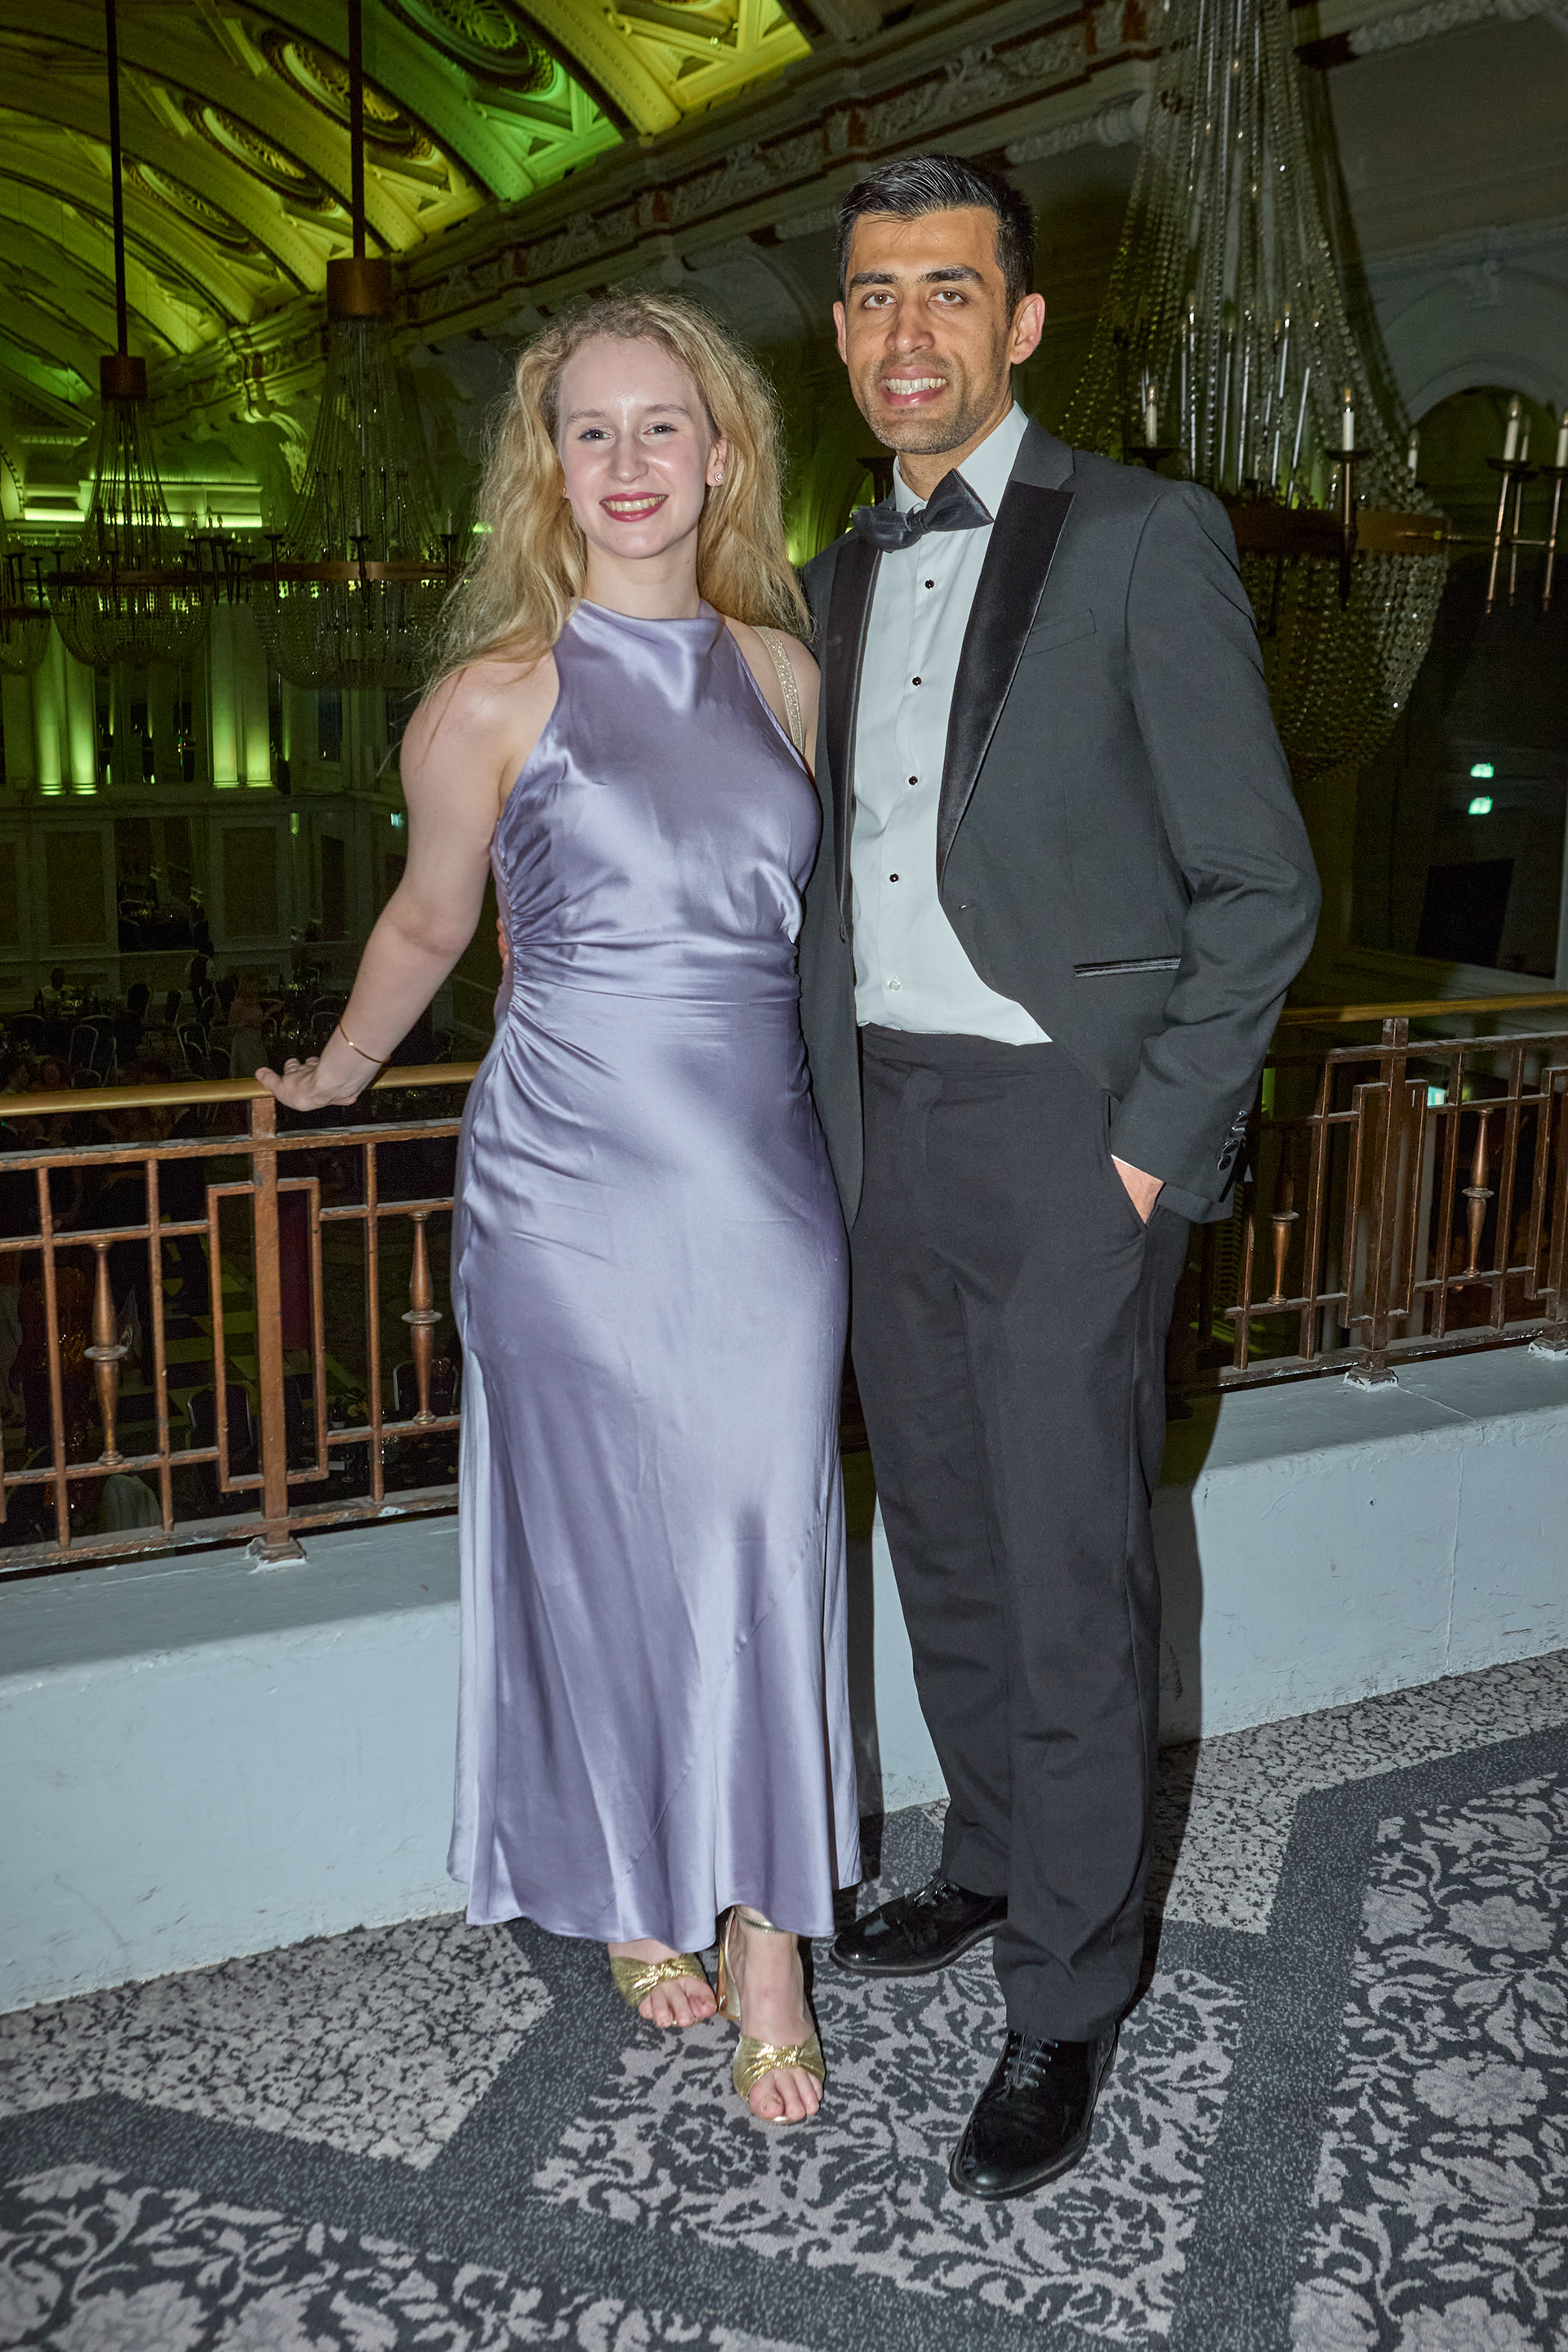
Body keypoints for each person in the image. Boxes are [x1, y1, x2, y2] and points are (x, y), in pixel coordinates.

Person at [258, 291, 858, 2126]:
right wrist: (343, 1070)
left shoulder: (783, 672)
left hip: (760, 1183)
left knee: (766, 1539)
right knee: (598, 1552)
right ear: (548, 468)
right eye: (588, 429)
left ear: (724, 454)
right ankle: (631, 1889)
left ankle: (771, 1936)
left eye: (661, 423)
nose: (627, 460)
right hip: (564, 1187)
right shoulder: (490, 698)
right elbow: (430, 921)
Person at [797, 154, 1320, 2197]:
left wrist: (1144, 1154)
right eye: (871, 294)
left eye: (947, 289)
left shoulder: (1143, 537)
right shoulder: (830, 576)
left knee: (1071, 1570)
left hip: (1061, 1134)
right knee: (940, 1530)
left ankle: (1071, 1992)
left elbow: (1260, 885)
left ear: (1019, 322)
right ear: (841, 334)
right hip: (878, 1125)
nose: (905, 329)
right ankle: (994, 1861)